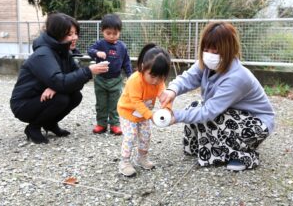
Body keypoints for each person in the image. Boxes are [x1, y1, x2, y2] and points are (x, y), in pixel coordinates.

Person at [159, 22, 275, 171]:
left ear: (228, 50)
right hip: (235, 115)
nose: (209, 54)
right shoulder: (207, 64)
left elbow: (209, 111)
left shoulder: (237, 77)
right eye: (206, 49)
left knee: (212, 116)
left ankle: (245, 157)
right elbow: (189, 77)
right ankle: (209, 149)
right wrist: (172, 90)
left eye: (215, 50)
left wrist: (175, 116)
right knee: (194, 107)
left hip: (256, 125)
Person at [10, 12, 109, 144]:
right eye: (69, 34)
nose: (75, 37)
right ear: (57, 35)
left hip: (41, 97)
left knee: (75, 96)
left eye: (75, 33)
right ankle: (33, 128)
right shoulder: (43, 54)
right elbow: (61, 81)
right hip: (24, 104)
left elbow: (75, 83)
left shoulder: (63, 51)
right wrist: (88, 71)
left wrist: (55, 87)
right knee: (61, 99)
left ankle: (50, 123)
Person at [117, 43, 172, 177]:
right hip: (128, 112)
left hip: (144, 114)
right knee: (130, 136)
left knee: (146, 136)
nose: (156, 81)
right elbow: (136, 102)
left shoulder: (159, 81)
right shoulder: (135, 80)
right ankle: (124, 162)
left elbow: (163, 95)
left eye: (160, 77)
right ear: (143, 67)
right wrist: (151, 115)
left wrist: (167, 108)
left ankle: (141, 158)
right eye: (153, 76)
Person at [87, 13, 132, 135]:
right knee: (101, 103)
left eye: (115, 33)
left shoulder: (122, 47)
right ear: (102, 31)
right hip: (101, 79)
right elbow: (89, 50)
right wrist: (97, 53)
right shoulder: (100, 44)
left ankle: (115, 124)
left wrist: (130, 76)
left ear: (119, 32)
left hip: (116, 80)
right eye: (108, 33)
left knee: (115, 103)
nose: (112, 36)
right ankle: (101, 124)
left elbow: (126, 62)